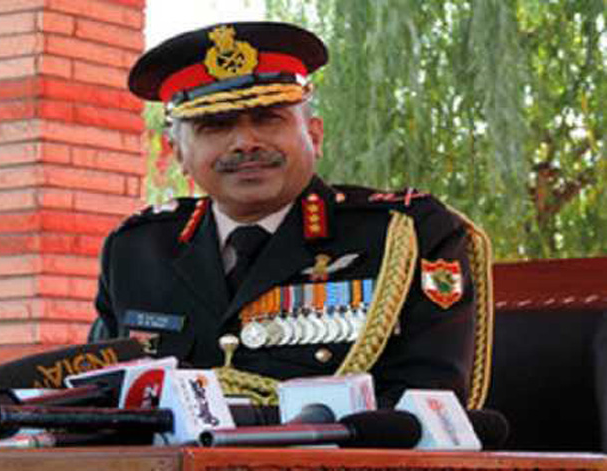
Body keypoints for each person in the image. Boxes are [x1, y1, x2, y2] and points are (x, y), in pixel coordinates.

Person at [90, 21, 492, 408]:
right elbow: (101, 393)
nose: (245, 142)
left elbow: (431, 404)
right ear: (178, 153)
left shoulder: (406, 235)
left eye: (268, 118)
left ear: (314, 135)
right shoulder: (134, 251)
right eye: (215, 126)